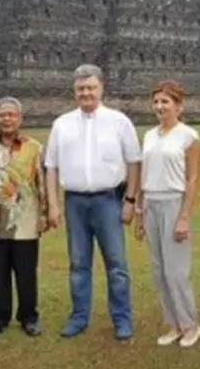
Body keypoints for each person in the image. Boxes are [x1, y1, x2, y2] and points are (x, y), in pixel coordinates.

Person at [44, 63, 141, 340]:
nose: (85, 92)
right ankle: (78, 316)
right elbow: (51, 167)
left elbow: (134, 162)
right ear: (74, 92)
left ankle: (122, 319)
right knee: (78, 263)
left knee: (117, 265)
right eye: (80, 88)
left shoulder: (119, 121)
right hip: (74, 201)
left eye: (91, 87)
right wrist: (53, 204)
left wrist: (130, 200)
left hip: (108, 200)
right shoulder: (62, 124)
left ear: (101, 89)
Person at [0, 97, 47, 339]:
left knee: (26, 272)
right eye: (3, 115)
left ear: (20, 119)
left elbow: (41, 183)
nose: (7, 119)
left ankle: (28, 317)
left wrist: (44, 214)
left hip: (25, 220)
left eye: (11, 115)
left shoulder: (34, 147)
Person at [135, 80, 200, 347]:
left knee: (176, 270)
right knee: (158, 270)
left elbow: (193, 177)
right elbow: (143, 176)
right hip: (151, 201)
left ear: (179, 106)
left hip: (174, 203)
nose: (160, 106)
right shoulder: (150, 136)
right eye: (157, 101)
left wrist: (184, 216)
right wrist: (139, 212)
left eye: (166, 101)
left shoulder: (188, 136)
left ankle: (190, 325)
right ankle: (173, 324)